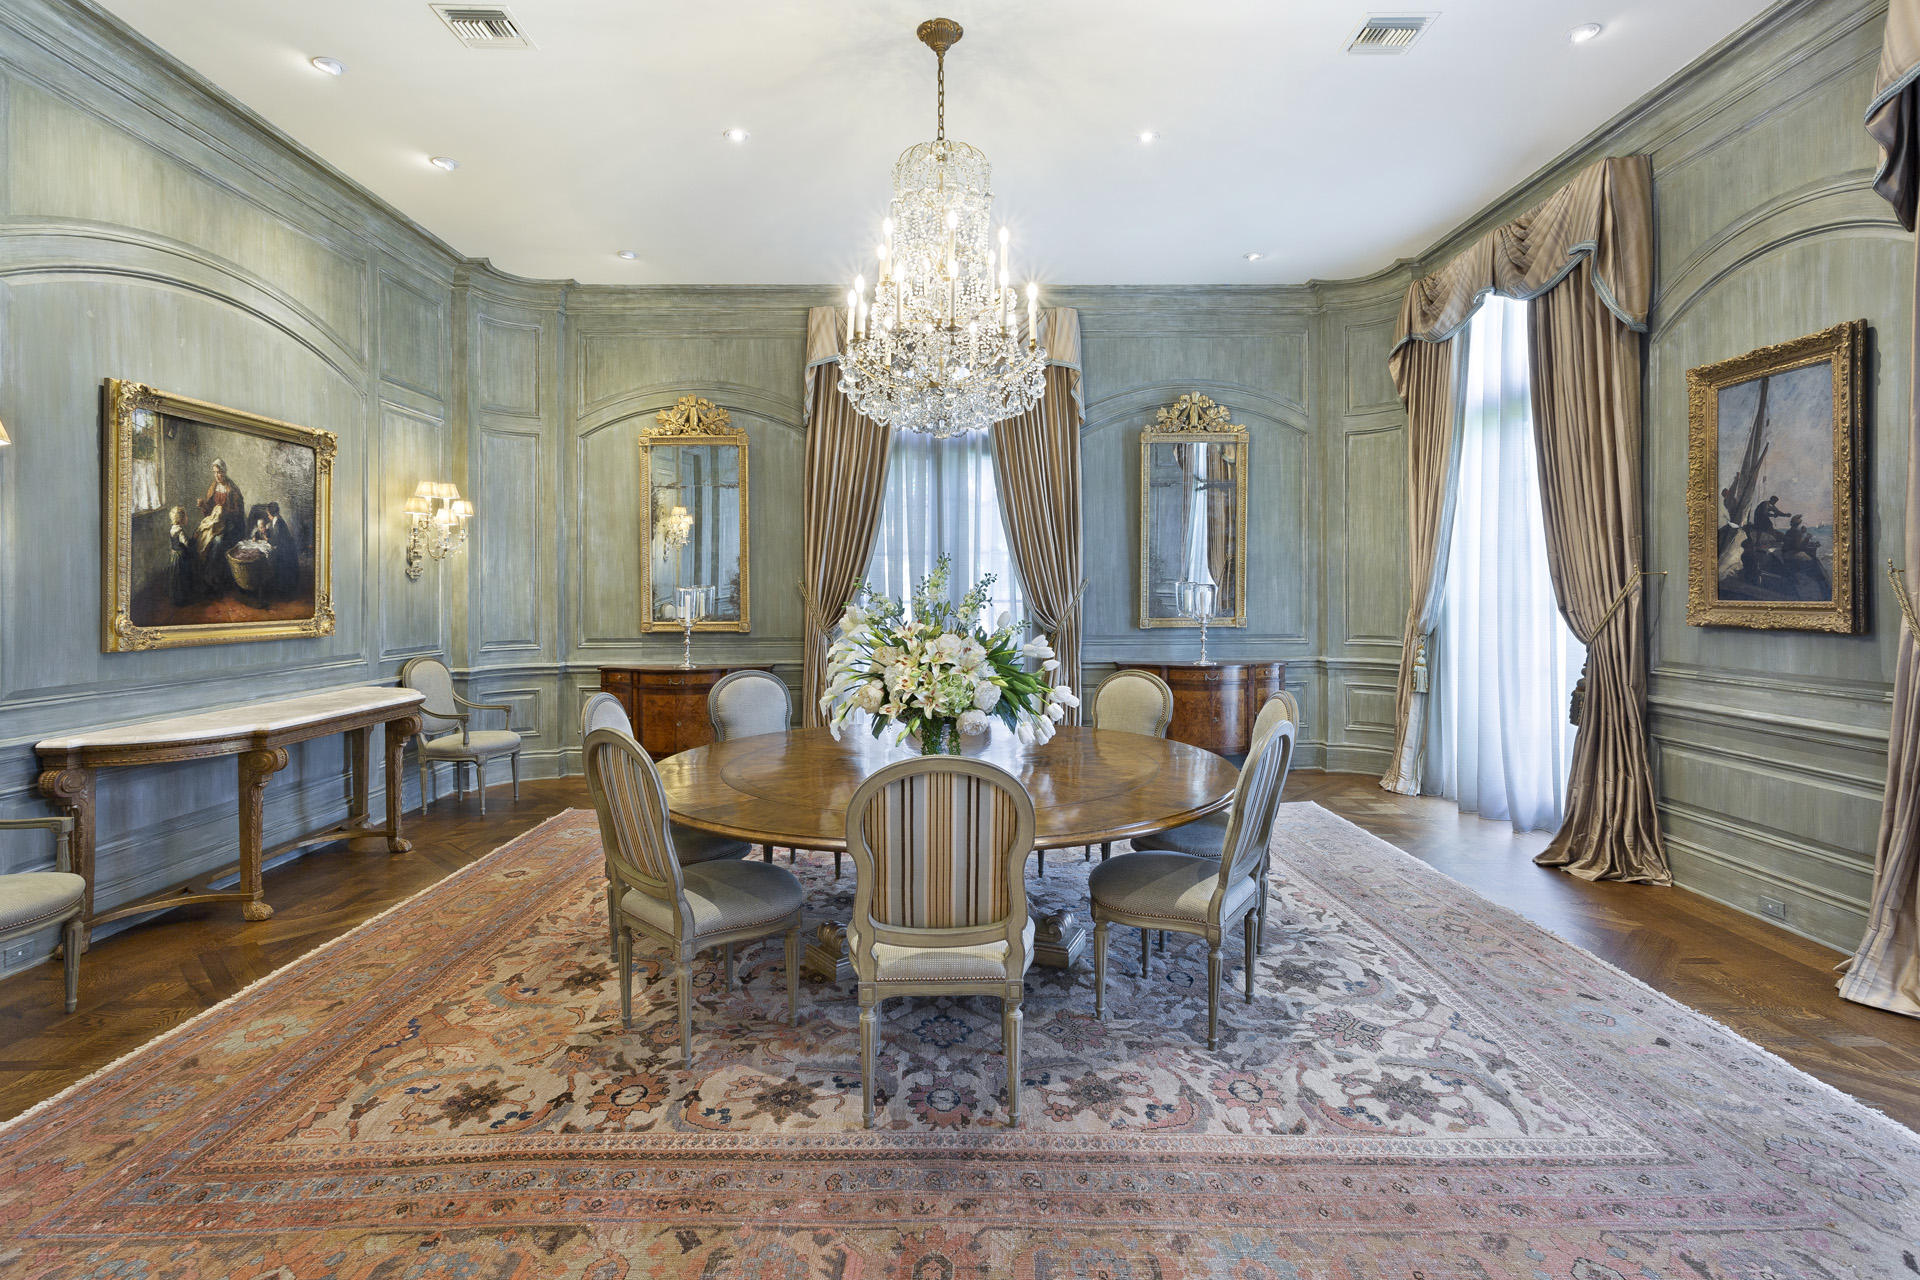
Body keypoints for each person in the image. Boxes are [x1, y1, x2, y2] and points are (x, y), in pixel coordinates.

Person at [194, 459, 246, 594]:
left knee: (217, 541)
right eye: (215, 472)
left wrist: (223, 512)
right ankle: (201, 574)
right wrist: (204, 506)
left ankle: (212, 577)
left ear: (225, 472)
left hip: (231, 525)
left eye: (220, 472)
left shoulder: (232, 490)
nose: (217, 475)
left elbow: (238, 514)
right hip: (216, 522)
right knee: (199, 535)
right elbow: (210, 512)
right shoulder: (213, 487)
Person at [266, 502, 298, 600]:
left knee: (279, 567)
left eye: (268, 514)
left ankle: (283, 592)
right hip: (284, 548)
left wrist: (267, 539)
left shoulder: (278, 522)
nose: (268, 516)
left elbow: (277, 540)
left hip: (286, 551)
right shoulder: (277, 520)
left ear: (271, 513)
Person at [166, 506, 194, 607]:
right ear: (181, 519)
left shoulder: (172, 529)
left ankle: (175, 597)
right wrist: (193, 540)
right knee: (182, 576)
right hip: (181, 556)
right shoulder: (180, 531)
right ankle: (182, 598)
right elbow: (187, 543)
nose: (187, 518)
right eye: (185, 516)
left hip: (174, 555)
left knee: (175, 577)